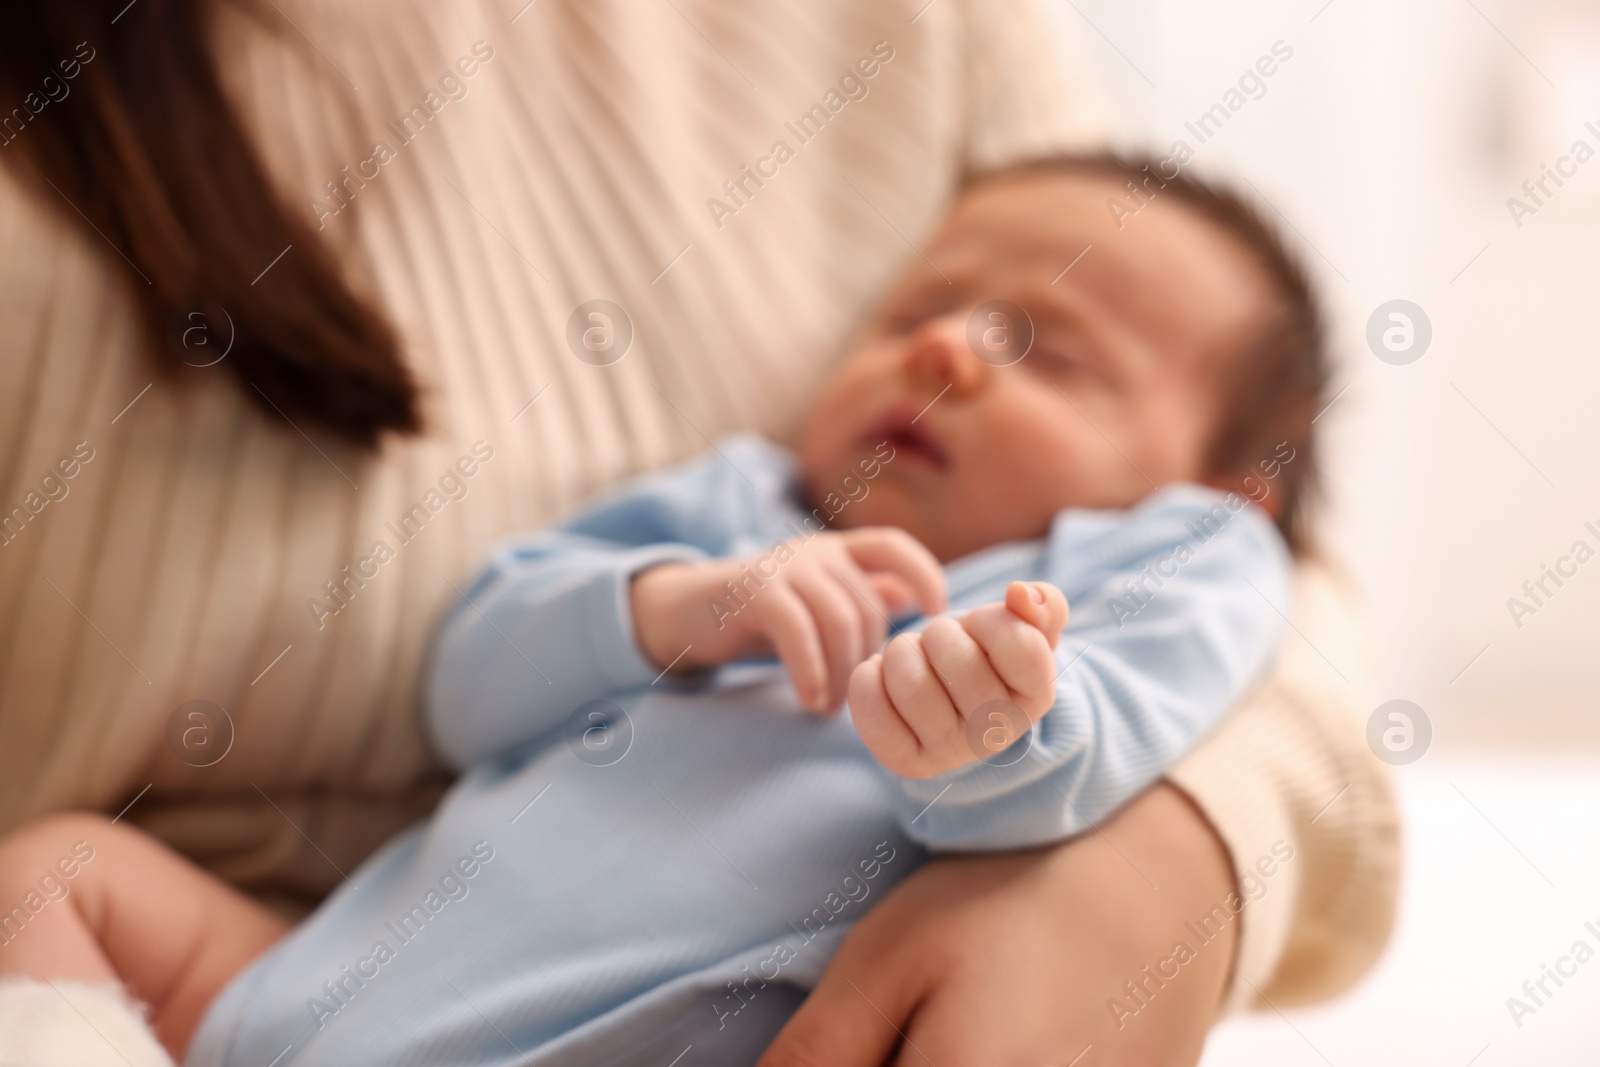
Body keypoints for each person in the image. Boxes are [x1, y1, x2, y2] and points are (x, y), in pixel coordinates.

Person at [0, 1, 1398, 1062]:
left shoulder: (1152, 571)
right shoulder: (743, 510)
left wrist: (1001, 731)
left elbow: (1114, 741)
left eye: (1051, 351)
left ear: (1227, 492)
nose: (949, 353)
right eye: (915, 312)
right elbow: (469, 684)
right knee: (52, 878)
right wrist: (663, 606)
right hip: (304, 983)